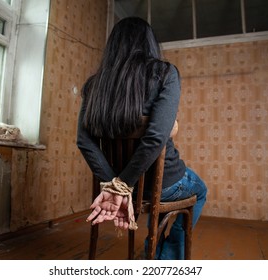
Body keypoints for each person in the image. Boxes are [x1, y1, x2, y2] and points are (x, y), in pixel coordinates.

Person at [76, 17, 207, 260]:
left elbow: (84, 141)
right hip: (161, 184)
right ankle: (163, 255)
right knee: (201, 190)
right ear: (149, 44)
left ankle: (154, 246)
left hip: (117, 183)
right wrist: (121, 186)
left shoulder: (94, 84)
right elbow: (156, 137)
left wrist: (115, 184)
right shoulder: (165, 73)